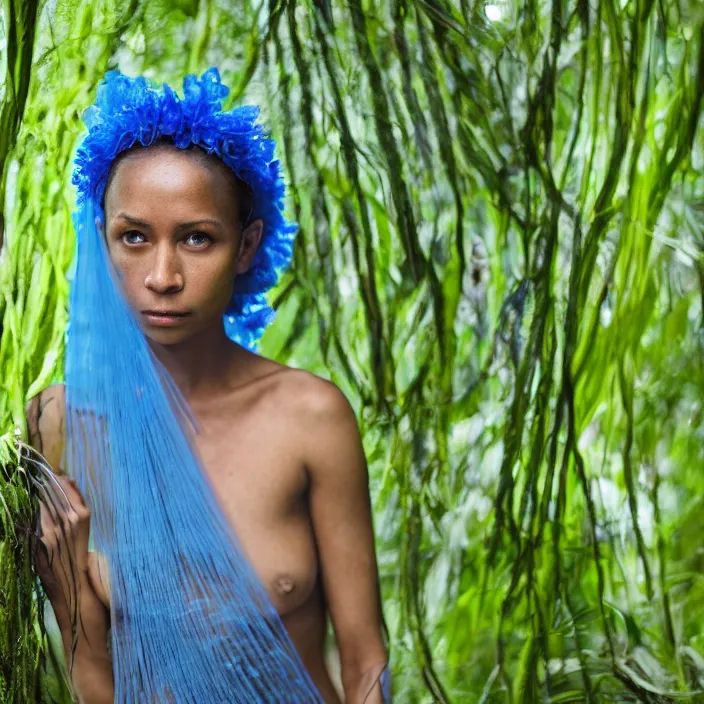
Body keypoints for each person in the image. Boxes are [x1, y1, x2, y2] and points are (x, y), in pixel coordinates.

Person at [26, 69, 388, 703]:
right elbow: (93, 674)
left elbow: (365, 665)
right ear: (101, 239)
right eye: (133, 237)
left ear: (246, 246)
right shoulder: (62, 425)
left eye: (197, 238)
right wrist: (64, 588)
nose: (163, 276)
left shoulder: (309, 417)